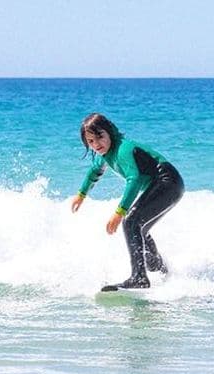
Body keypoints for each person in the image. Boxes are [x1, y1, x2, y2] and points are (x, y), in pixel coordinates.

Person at [71, 113, 184, 289]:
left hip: (168, 181)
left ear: (110, 132)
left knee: (131, 221)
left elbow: (135, 179)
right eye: (91, 142)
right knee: (140, 227)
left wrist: (119, 212)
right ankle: (158, 266)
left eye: (100, 137)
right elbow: (94, 172)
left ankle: (139, 277)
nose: (97, 145)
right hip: (165, 184)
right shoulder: (103, 154)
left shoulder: (123, 149)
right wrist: (81, 194)